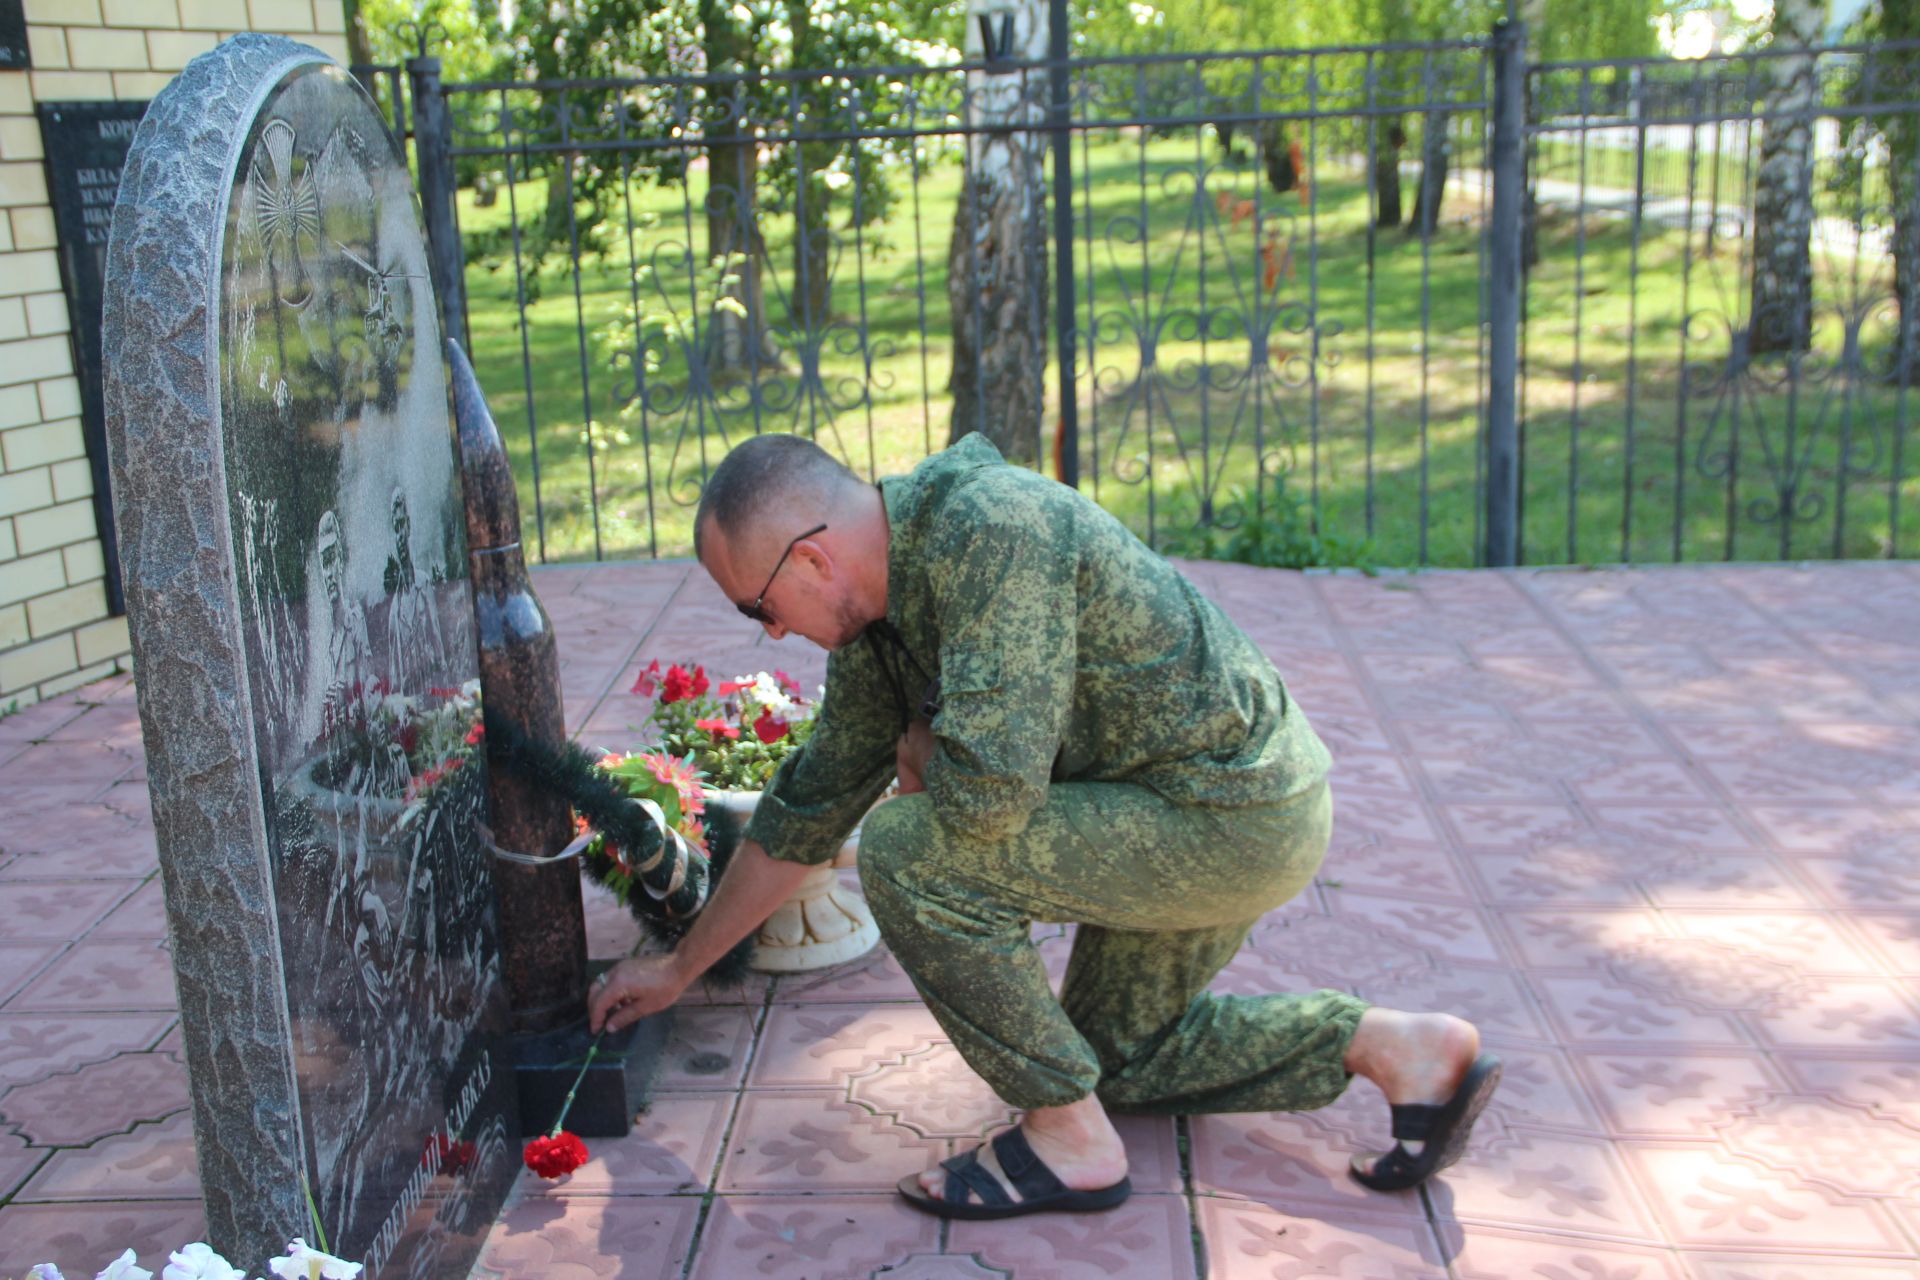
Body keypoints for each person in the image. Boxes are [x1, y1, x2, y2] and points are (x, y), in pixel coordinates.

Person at [588, 432, 1499, 1219]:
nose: (773, 633)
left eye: (759, 608)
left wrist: (916, 752)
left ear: (813, 562)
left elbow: (986, 802)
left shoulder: (992, 529)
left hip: (1230, 816)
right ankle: (1396, 1047)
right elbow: (805, 810)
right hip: (1178, 812)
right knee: (1113, 1061)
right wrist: (678, 967)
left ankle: (1067, 1140)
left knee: (911, 854)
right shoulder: (879, 623)